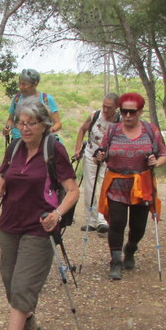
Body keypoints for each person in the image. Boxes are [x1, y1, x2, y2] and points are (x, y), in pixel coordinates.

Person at [0, 97, 78, 330]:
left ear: (43, 125)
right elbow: (2, 185)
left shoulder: (54, 150)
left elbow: (73, 190)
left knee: (22, 285)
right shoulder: (15, 147)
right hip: (10, 224)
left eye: (31, 123)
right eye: (21, 123)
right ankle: (30, 322)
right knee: (9, 280)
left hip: (40, 227)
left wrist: (58, 214)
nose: (25, 128)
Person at [94, 92, 166, 281]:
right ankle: (116, 261)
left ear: (140, 111)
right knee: (116, 224)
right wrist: (100, 156)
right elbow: (101, 152)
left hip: (141, 184)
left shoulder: (151, 131)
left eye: (132, 112)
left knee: (138, 227)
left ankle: (131, 248)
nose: (127, 116)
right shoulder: (112, 131)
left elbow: (163, 155)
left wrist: (155, 163)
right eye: (124, 111)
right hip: (116, 183)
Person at [73, 92, 120, 234]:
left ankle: (103, 220)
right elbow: (82, 129)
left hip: (109, 158)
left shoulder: (120, 120)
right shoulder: (95, 115)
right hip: (90, 154)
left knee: (103, 187)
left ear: (116, 107)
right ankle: (91, 221)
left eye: (109, 107)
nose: (105, 110)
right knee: (89, 188)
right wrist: (78, 149)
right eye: (104, 106)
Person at [2, 69, 61, 144]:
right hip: (18, 142)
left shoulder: (46, 99)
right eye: (19, 84)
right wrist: (7, 127)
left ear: (35, 84)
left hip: (40, 143)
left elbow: (58, 123)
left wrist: (48, 131)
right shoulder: (17, 98)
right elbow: (10, 119)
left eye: (24, 84)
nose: (20, 87)